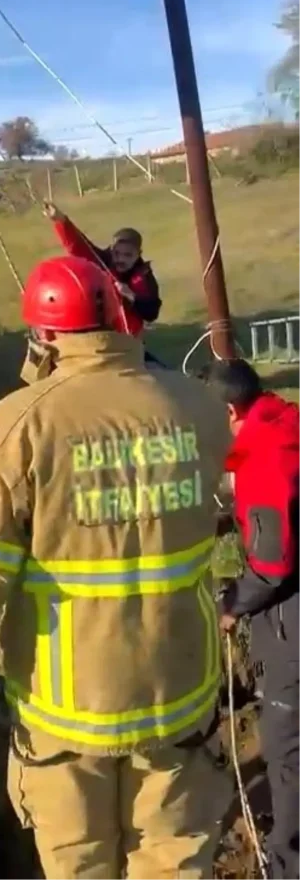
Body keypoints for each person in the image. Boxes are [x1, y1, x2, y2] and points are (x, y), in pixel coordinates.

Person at [0, 253, 233, 879]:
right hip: (178, 695)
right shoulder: (196, 406)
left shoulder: (13, 430)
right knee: (175, 862)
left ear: (41, 333)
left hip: (64, 715)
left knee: (78, 866)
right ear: (119, 315)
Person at [206, 358, 300, 880]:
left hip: (291, 625)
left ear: (228, 410)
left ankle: (287, 862)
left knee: (287, 752)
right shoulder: (284, 423)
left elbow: (271, 564)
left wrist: (231, 605)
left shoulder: (265, 461)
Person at [42, 199, 162, 337]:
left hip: (130, 343)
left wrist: (130, 295)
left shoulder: (145, 277)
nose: (121, 259)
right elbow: (79, 246)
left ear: (138, 254)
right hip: (102, 336)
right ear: (112, 250)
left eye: (128, 255)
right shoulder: (103, 261)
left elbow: (152, 313)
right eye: (117, 253)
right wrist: (61, 221)